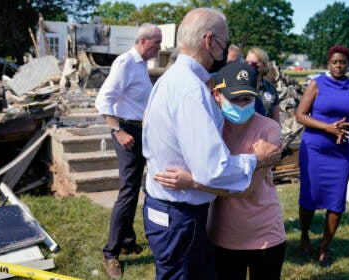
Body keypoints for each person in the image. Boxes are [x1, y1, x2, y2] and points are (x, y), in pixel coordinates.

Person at [142, 8, 280, 280]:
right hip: (180, 214)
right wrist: (256, 159)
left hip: (168, 209)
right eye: (226, 43)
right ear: (210, 41)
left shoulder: (170, 79)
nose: (226, 49)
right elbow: (213, 170)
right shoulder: (191, 91)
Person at [95, 23, 162, 279]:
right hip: (127, 132)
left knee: (134, 189)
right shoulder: (125, 63)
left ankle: (127, 240)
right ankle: (110, 253)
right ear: (144, 42)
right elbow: (103, 100)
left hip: (139, 131)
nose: (159, 47)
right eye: (157, 43)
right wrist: (118, 131)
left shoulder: (140, 64)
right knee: (128, 191)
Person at [295, 45, 349, 267]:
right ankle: (304, 237)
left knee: (336, 202)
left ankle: (324, 247)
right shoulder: (317, 83)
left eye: (343, 62)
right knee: (309, 198)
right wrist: (328, 127)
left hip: (342, 151)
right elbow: (300, 115)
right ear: (328, 64)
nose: (339, 66)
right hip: (315, 150)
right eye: (335, 62)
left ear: (348, 64)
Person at [245, 47, 280, 123]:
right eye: (247, 63)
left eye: (254, 63)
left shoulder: (270, 89)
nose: (250, 65)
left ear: (263, 65)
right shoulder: (240, 86)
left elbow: (276, 120)